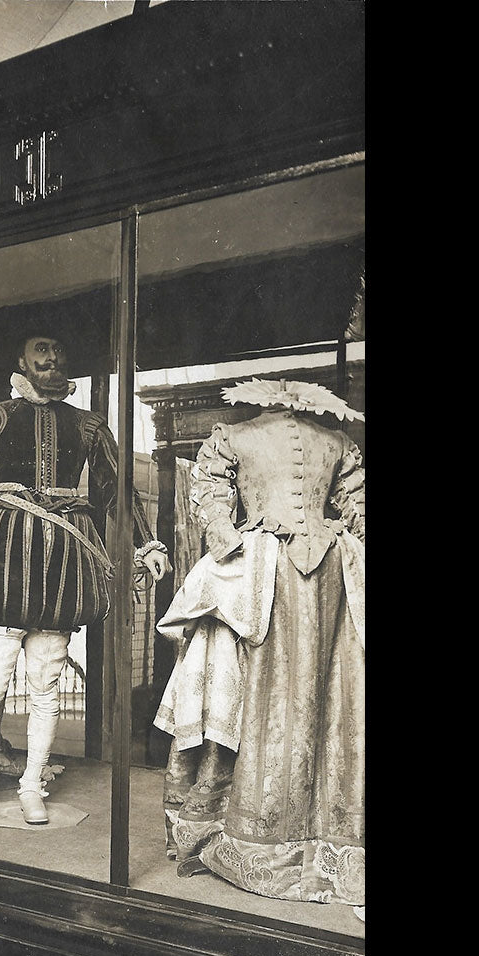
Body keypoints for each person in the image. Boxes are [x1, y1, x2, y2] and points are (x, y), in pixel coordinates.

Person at [0, 335, 171, 836]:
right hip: (2, 561)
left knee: (44, 691)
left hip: (61, 568)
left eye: (59, 352)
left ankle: (32, 787)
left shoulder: (88, 425)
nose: (51, 358)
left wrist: (146, 545)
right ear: (20, 361)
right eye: (41, 351)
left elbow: (116, 492)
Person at [152, 378, 365, 905]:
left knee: (264, 697)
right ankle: (320, 838)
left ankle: (257, 832)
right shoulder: (337, 440)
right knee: (330, 696)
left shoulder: (234, 435)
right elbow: (358, 506)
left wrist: (231, 542)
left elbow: (209, 495)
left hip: (263, 569)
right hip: (331, 565)